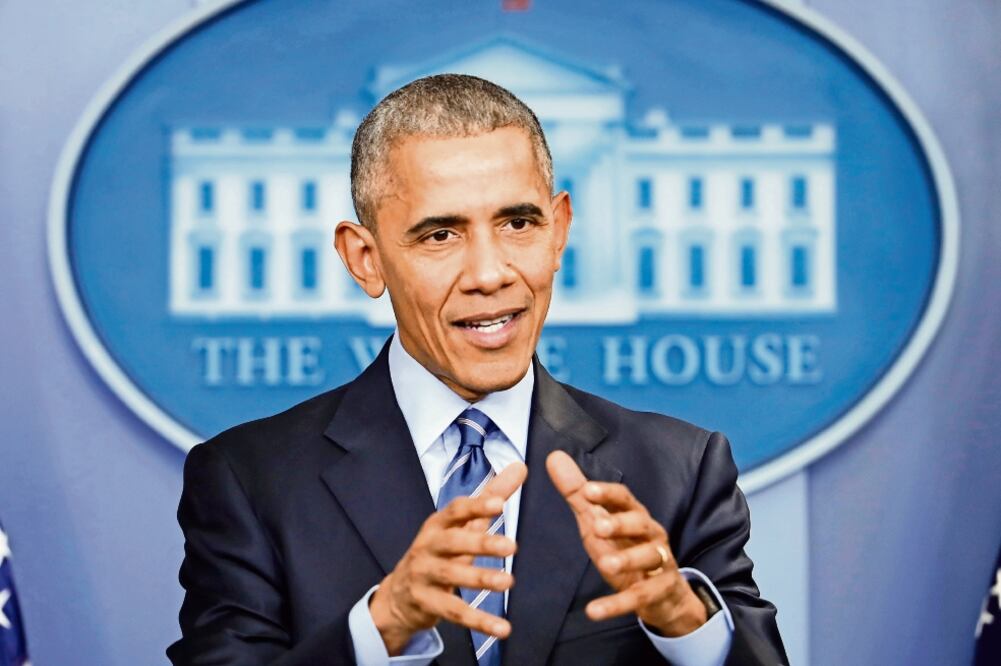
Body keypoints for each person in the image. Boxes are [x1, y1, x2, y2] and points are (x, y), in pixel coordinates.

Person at [167, 74, 786, 666]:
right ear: (365, 259)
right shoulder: (249, 481)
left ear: (560, 229)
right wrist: (381, 627)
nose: (490, 274)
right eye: (440, 235)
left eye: (518, 224)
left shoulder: (679, 469)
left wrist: (684, 619)